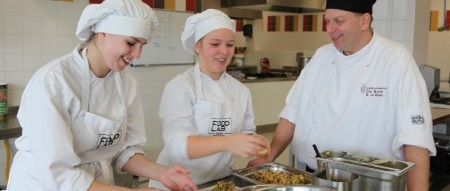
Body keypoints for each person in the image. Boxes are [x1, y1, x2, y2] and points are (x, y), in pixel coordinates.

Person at [6, 0, 198, 190]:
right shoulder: (53, 82)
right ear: (102, 32)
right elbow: (59, 175)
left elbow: (124, 150)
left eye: (142, 45)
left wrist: (162, 173)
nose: (137, 54)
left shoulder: (125, 81)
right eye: (131, 42)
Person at [248, 0, 437, 190]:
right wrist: (269, 155)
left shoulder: (395, 59)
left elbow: (415, 138)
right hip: (314, 178)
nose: (330, 29)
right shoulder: (321, 57)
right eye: (327, 21)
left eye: (338, 21)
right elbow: (292, 113)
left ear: (364, 21)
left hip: (370, 184)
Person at [149, 9, 271, 188]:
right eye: (215, 43)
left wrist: (254, 142)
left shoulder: (240, 91)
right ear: (198, 45)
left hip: (219, 182)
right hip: (177, 183)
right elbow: (177, 144)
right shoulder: (181, 87)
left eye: (230, 45)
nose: (224, 51)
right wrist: (228, 142)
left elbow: (245, 131)